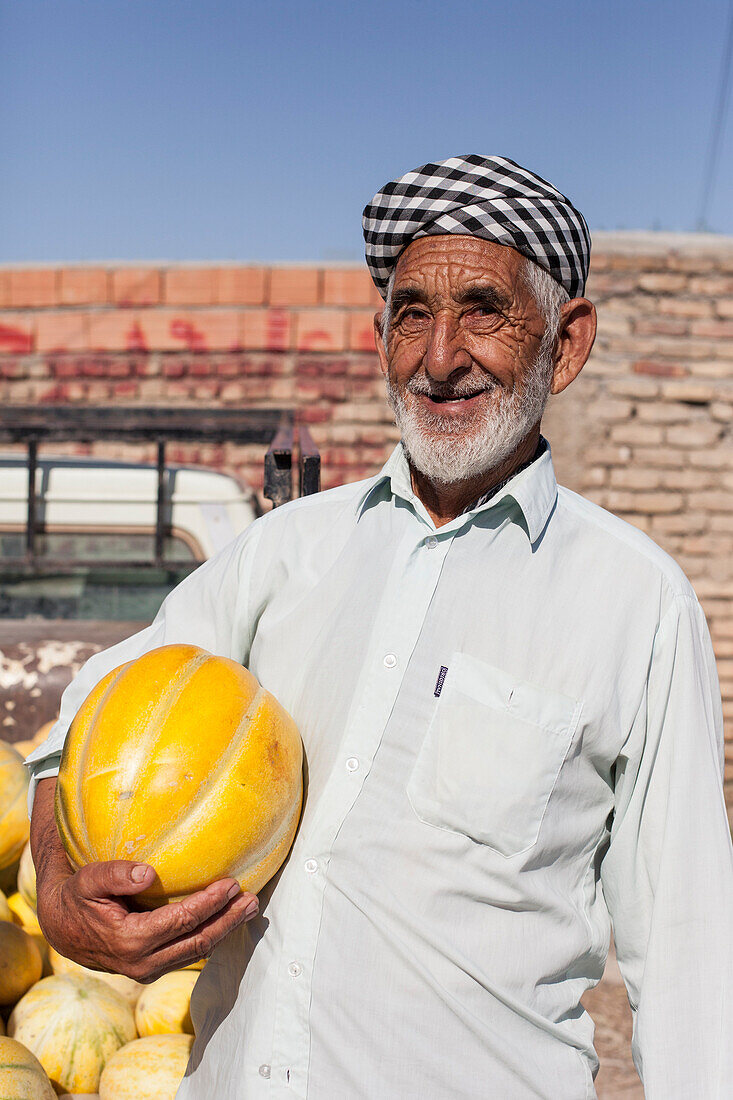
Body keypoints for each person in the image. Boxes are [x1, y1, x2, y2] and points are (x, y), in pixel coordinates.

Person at [27, 156, 732, 1098]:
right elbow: (96, 698)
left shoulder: (634, 601)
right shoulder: (285, 551)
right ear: (379, 337)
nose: (439, 358)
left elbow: (687, 952)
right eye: (410, 314)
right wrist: (62, 883)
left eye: (482, 308)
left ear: (565, 344)